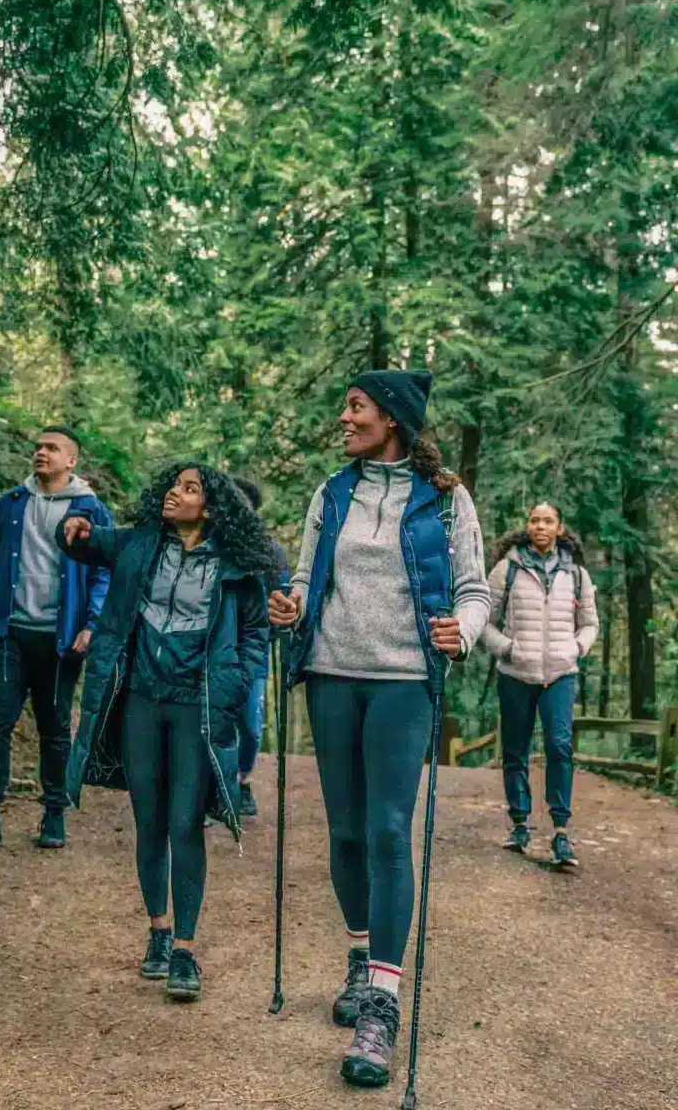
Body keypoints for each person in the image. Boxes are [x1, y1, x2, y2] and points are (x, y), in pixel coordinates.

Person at [269, 369, 490, 1089]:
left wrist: (468, 628)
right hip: (333, 676)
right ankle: (360, 955)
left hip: (404, 680)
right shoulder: (333, 493)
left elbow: (473, 589)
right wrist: (291, 604)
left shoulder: (446, 498)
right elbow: (307, 578)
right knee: (348, 834)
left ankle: (383, 1005)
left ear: (391, 417)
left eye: (355, 406)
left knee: (392, 831)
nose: (344, 416)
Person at [58, 464, 270, 1002]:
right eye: (174, 484)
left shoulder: (238, 564)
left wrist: (237, 681)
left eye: (190, 488)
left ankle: (186, 950)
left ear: (213, 506)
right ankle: (158, 931)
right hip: (141, 702)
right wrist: (76, 522)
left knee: (185, 824)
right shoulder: (141, 543)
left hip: (196, 705)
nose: (176, 493)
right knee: (149, 820)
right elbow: (89, 543)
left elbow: (253, 633)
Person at [0, 427, 113, 852]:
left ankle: (54, 815)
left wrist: (92, 623)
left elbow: (104, 571)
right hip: (10, 634)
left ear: (71, 460)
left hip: (61, 639)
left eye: (51, 448)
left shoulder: (91, 508)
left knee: (54, 727)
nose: (41, 452)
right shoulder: (12, 504)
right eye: (38, 447)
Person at [481, 502, 599, 868]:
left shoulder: (577, 574)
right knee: (515, 749)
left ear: (560, 528)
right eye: (534, 520)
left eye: (548, 521)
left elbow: (591, 624)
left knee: (559, 746)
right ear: (527, 526)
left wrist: (575, 648)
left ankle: (561, 832)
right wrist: (507, 649)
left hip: (560, 675)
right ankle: (520, 826)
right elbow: (484, 620)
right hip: (516, 675)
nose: (540, 526)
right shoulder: (507, 570)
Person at [231, 476, 290, 817]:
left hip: (254, 648)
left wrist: (281, 625)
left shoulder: (268, 550)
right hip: (210, 648)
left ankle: (241, 779)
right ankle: (214, 789)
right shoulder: (205, 543)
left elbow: (282, 590)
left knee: (250, 727)